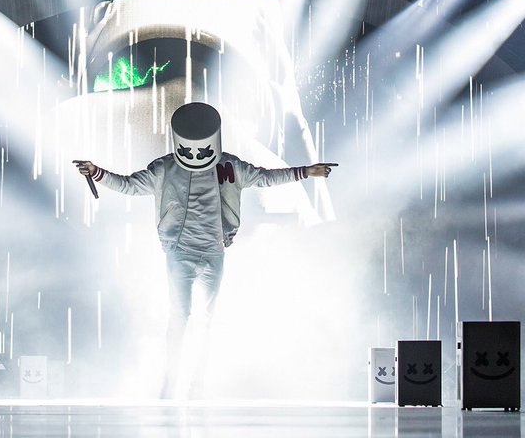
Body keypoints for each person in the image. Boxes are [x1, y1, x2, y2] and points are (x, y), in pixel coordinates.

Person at [73, 101, 336, 398]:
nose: (196, 156)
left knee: (205, 321)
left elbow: (266, 177)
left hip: (213, 254)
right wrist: (97, 172)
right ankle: (171, 382)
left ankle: (195, 384)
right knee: (180, 317)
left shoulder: (230, 166)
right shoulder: (164, 169)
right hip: (180, 254)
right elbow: (128, 185)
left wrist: (305, 171)